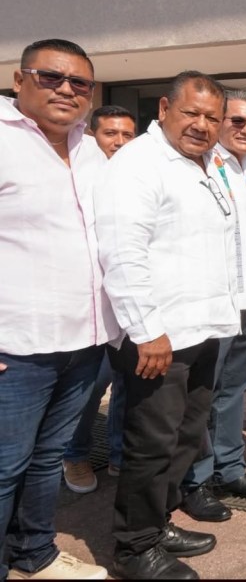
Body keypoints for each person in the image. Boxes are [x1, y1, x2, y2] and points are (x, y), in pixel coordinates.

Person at [96, 71, 238, 579]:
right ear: (163, 108)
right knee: (151, 441)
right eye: (191, 113)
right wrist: (145, 329)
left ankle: (157, 522)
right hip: (160, 335)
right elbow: (122, 250)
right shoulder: (139, 163)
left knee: (185, 435)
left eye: (212, 117)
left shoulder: (205, 163)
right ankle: (135, 549)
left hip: (203, 327)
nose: (202, 125)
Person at [1, 39, 115, 581]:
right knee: (3, 469)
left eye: (80, 83)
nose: (67, 89)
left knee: (48, 460)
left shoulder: (91, 149)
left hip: (84, 341)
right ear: (19, 79)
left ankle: (35, 554)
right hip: (16, 347)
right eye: (51, 77)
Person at [178, 90, 246, 524]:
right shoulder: (201, 165)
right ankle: (194, 483)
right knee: (202, 399)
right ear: (220, 122)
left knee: (234, 392)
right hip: (216, 304)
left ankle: (230, 469)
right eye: (237, 121)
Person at [61, 106, 137, 494]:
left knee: (127, 380)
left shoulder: (136, 176)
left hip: (129, 300)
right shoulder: (83, 175)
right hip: (89, 302)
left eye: (127, 135)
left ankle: (120, 454)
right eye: (111, 134)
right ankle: (75, 454)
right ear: (93, 135)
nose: (119, 142)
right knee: (93, 385)